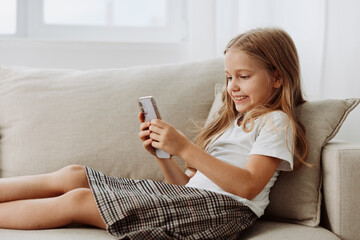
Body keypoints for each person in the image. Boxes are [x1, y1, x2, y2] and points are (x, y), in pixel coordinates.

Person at [0, 28, 309, 239]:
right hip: (194, 200)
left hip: (222, 214)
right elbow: (187, 187)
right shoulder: (232, 125)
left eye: (243, 76)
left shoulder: (276, 122)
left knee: (79, 199)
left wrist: (186, 148)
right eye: (229, 77)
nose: (233, 87)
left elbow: (248, 187)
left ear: (278, 77)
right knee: (74, 175)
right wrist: (163, 156)